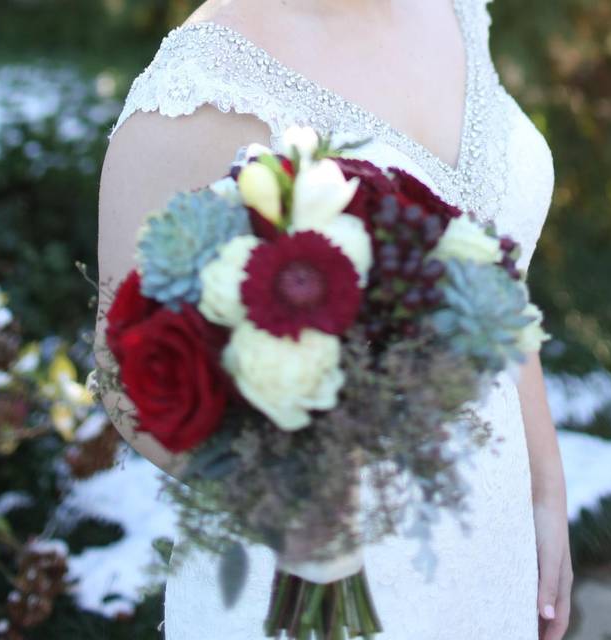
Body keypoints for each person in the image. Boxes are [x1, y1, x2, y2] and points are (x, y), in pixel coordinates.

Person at [96, 0, 571, 637]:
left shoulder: (451, 9)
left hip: (488, 555)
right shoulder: (198, 87)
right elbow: (129, 379)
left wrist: (544, 484)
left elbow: (500, 269)